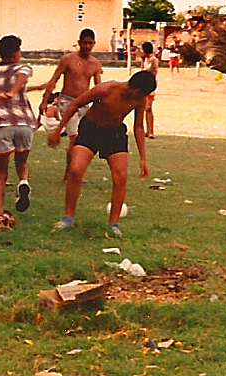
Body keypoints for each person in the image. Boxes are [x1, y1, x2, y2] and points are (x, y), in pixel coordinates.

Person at [48, 70, 156, 237]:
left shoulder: (139, 99)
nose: (143, 98)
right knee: (75, 170)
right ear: (136, 88)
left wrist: (143, 158)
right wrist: (58, 129)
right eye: (143, 93)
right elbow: (75, 104)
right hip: (91, 129)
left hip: (114, 133)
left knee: (121, 177)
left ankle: (113, 224)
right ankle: (68, 218)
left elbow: (139, 127)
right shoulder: (106, 89)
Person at [39, 28, 103, 176]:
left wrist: (100, 105)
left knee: (83, 140)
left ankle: (74, 171)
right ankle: (71, 173)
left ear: (94, 44)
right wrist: (44, 100)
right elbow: (53, 80)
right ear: (79, 43)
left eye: (90, 43)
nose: (87, 46)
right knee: (74, 138)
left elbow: (98, 86)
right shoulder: (68, 60)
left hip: (84, 103)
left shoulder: (95, 64)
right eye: (85, 43)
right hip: (67, 102)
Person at [0, 34, 38, 217]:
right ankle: (23, 181)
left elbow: (15, 82)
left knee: (1, 172)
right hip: (24, 123)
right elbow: (21, 78)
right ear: (17, 53)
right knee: (22, 161)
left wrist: (10, 93)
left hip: (2, 124)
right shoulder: (24, 68)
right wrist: (14, 92)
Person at [140, 42, 159, 139]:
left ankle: (151, 131)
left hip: (150, 87)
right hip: (144, 87)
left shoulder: (153, 60)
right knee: (143, 109)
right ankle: (146, 130)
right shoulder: (147, 60)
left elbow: (146, 71)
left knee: (148, 108)